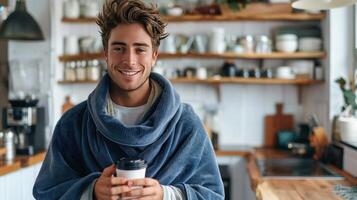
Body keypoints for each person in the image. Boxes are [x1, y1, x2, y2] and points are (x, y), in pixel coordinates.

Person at [33, 0, 224, 199]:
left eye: (140, 49)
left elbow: (213, 195)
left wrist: (165, 195)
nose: (130, 60)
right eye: (119, 48)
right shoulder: (74, 123)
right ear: (105, 53)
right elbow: (47, 192)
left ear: (154, 56)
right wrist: (92, 191)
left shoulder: (186, 124)